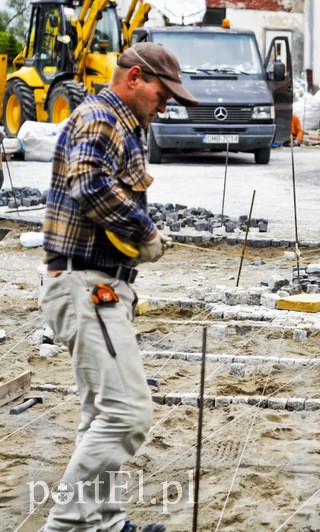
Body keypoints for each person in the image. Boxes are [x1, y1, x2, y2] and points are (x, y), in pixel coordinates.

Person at [39, 42, 197, 532]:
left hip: (93, 283)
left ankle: (104, 524)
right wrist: (143, 230)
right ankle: (67, 525)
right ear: (133, 78)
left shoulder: (118, 122)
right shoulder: (104, 118)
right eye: (161, 91)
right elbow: (88, 184)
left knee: (101, 413)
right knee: (127, 413)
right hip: (89, 285)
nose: (165, 103)